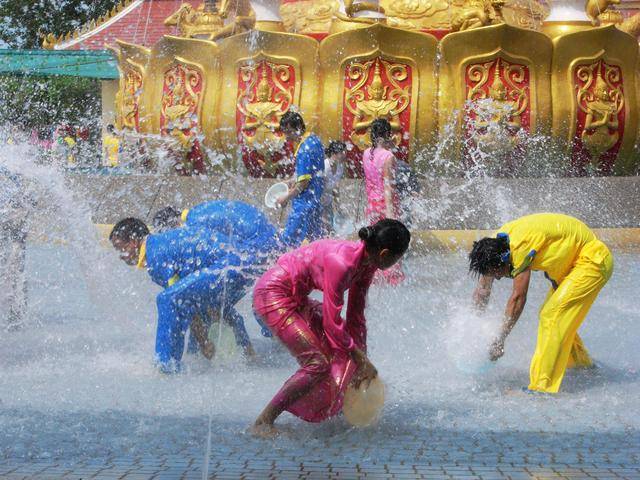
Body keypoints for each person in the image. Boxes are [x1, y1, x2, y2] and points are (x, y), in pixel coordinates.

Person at [251, 219, 411, 437]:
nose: (397, 263)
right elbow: (331, 323)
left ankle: (335, 408)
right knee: (317, 363)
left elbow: (356, 316)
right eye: (397, 258)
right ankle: (263, 421)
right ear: (384, 254)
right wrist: (361, 359)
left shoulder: (367, 264)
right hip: (272, 294)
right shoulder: (341, 263)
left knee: (344, 352)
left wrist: (361, 359)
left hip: (297, 298)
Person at [109, 205, 277, 373]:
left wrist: (204, 341)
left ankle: (165, 366)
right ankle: (248, 355)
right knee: (208, 305)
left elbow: (181, 302)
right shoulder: (164, 242)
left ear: (133, 241)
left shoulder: (155, 255)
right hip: (242, 261)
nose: (121, 256)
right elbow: (193, 300)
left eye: (120, 248)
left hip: (228, 264)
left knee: (167, 300)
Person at [469, 213, 614, 394]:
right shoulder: (492, 248)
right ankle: (581, 366)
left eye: (498, 273)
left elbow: (517, 298)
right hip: (573, 265)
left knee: (551, 315)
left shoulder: (519, 249)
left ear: (505, 259)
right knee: (558, 318)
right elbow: (482, 291)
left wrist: (499, 340)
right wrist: (471, 325)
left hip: (593, 262)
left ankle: (541, 389)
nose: (497, 278)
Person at [362, 118, 404, 284]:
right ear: (388, 134)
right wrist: (391, 215)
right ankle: (390, 277)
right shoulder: (389, 157)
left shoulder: (366, 153)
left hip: (371, 204)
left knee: (373, 243)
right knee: (390, 243)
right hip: (385, 205)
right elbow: (388, 187)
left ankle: (372, 274)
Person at [275, 111, 325, 246]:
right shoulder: (314, 140)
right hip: (315, 203)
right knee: (315, 242)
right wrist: (290, 181)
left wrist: (286, 197)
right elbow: (311, 173)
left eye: (289, 132)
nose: (287, 137)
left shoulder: (304, 150)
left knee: (287, 242)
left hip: (303, 206)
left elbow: (303, 183)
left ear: (298, 128)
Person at [0, 165, 34, 331]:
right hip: (12, 216)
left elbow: (28, 201)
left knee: (16, 265)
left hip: (13, 218)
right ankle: (16, 312)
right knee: (14, 266)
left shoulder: (12, 166)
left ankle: (17, 312)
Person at [320, 141, 346, 235]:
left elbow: (336, 187)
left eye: (345, 152)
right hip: (318, 204)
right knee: (322, 230)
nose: (344, 155)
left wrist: (338, 206)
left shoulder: (340, 167)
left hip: (328, 202)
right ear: (333, 153)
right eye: (341, 153)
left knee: (330, 230)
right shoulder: (324, 167)